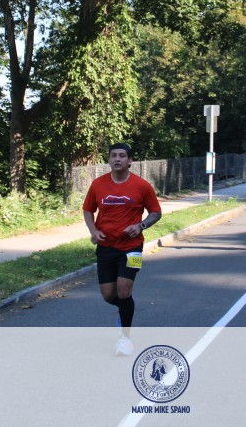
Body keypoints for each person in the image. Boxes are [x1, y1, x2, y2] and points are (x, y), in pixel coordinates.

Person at [82, 142, 162, 357]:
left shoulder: (142, 186)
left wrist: (141, 225)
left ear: (130, 161)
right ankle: (125, 310)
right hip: (106, 246)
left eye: (122, 156)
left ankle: (125, 339)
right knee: (109, 295)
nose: (117, 159)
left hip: (132, 247)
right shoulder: (98, 184)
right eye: (113, 155)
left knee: (124, 290)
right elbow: (88, 210)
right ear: (109, 160)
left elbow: (156, 212)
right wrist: (93, 231)